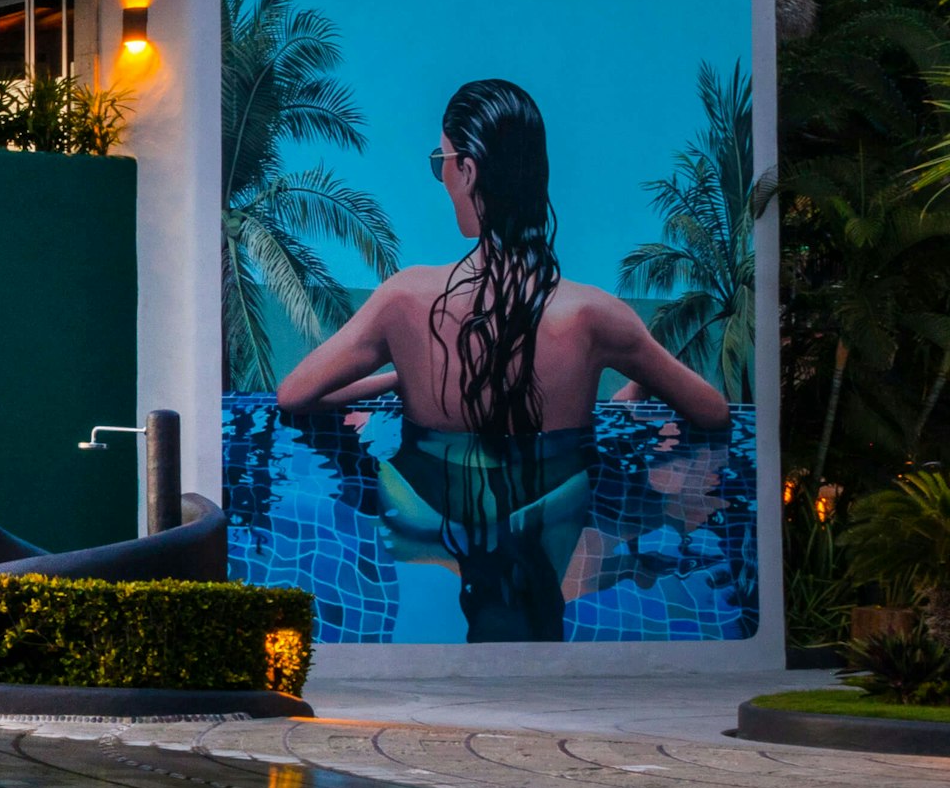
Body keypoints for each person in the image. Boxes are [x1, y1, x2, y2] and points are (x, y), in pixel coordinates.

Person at [275, 78, 730, 640]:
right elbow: (711, 412)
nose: (441, 174)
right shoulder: (595, 317)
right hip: (556, 510)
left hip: (428, 515)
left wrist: (399, 377)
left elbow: (295, 395)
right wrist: (635, 392)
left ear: (466, 170)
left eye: (440, 160)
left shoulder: (406, 300)